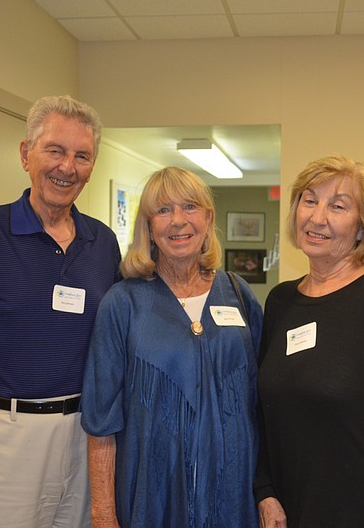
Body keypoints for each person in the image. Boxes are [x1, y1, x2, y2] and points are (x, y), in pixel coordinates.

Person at [0, 95, 121, 528]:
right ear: (25, 153)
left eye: (81, 156)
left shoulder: (102, 243)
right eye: (55, 150)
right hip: (2, 440)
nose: (67, 167)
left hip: (83, 437)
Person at [82, 166, 264, 528]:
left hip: (233, 496)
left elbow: (263, 403)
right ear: (148, 227)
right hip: (152, 498)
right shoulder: (123, 304)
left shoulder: (239, 293)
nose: (178, 221)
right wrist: (103, 514)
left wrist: (267, 494)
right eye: (163, 210)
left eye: (190, 207)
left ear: (208, 219)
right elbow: (101, 421)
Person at [254, 155, 364, 528]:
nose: (317, 217)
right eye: (309, 200)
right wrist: (264, 491)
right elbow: (262, 410)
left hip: (358, 510)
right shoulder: (281, 301)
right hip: (284, 510)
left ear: (363, 226)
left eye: (338, 206)